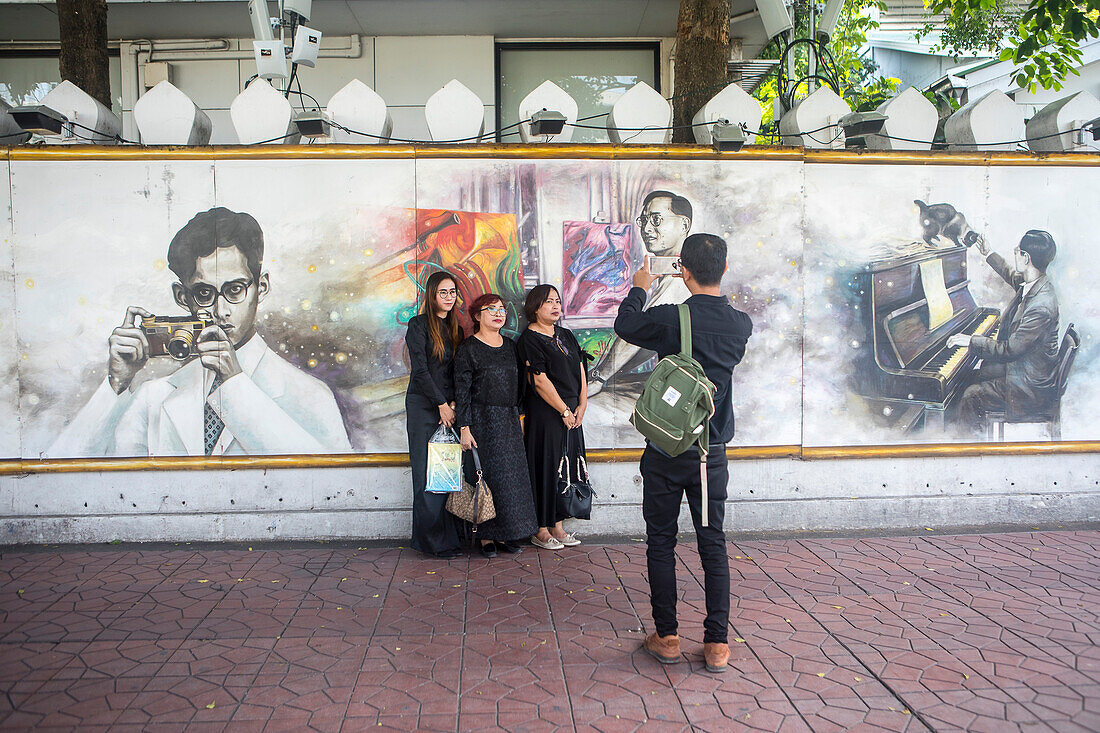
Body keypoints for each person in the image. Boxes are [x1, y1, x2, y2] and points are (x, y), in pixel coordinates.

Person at [48, 207, 351, 457]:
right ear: (182, 297)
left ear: (261, 288)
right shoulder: (153, 397)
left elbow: (331, 486)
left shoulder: (309, 395)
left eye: (234, 290)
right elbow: (64, 475)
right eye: (204, 294)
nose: (220, 311)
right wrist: (116, 384)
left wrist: (234, 384)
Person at [613, 233, 752, 674]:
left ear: (683, 270)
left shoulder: (671, 319)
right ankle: (716, 644)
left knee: (661, 541)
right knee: (713, 543)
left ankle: (668, 637)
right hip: (711, 454)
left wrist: (640, 286)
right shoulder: (740, 325)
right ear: (724, 269)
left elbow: (626, 326)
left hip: (667, 450)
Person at [949, 230, 1060, 435]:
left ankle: (970, 450)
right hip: (1025, 372)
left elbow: (1009, 350)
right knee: (965, 378)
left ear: (1026, 258)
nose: (1015, 253)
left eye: (1018, 251)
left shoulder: (1040, 306)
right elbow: (1011, 274)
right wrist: (988, 252)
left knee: (971, 395)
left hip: (1028, 388)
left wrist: (972, 341)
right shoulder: (1035, 284)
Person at [455, 293, 538, 558]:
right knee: (487, 479)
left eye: (501, 309)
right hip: (481, 421)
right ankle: (486, 537)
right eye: (491, 310)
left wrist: (521, 417)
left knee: (511, 481)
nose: (498, 314)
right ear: (477, 316)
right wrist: (464, 427)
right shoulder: (468, 348)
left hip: (509, 420)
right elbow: (462, 391)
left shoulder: (511, 346)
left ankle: (508, 534)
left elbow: (521, 387)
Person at [588, 191, 692, 396]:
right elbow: (648, 339)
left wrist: (600, 377)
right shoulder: (673, 273)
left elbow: (635, 331)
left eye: (656, 220)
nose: (646, 229)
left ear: (684, 225)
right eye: (643, 220)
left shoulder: (678, 282)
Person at [518, 284, 589, 550]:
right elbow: (539, 381)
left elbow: (580, 367)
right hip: (547, 413)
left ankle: (558, 525)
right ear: (535, 306)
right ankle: (540, 529)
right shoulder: (529, 339)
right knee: (545, 466)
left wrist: (582, 404)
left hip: (572, 413)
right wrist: (563, 410)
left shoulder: (566, 335)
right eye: (549, 302)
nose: (555, 306)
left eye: (557, 301)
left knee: (566, 466)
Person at [404, 270, 464, 559]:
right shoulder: (418, 326)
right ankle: (429, 541)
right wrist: (440, 403)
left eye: (453, 292)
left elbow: (455, 372)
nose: (449, 297)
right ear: (431, 295)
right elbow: (421, 371)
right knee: (426, 473)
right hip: (423, 406)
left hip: (447, 409)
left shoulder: (456, 328)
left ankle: (447, 537)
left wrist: (451, 403)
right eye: (444, 292)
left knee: (445, 472)